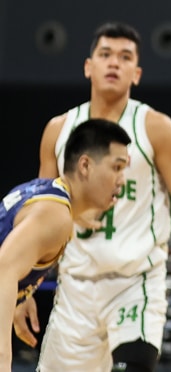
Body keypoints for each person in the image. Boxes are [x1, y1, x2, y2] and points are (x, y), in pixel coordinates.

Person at [26, 22, 171, 372]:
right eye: (105, 54)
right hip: (75, 287)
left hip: (135, 284)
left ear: (136, 74)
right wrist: (25, 287)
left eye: (125, 57)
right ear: (87, 66)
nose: (114, 63)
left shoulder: (155, 127)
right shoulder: (59, 130)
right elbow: (39, 216)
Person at [3, 120, 131, 372]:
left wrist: (22, 296)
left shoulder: (48, 194)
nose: (122, 180)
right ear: (85, 165)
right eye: (116, 168)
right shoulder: (56, 215)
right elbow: (3, 269)